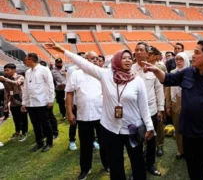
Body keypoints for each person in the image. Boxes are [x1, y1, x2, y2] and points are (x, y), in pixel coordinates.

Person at [45, 40, 154, 180]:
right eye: (124, 58)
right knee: (115, 164)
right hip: (111, 129)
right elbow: (84, 63)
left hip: (132, 128)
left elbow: (143, 106)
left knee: (137, 161)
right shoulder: (105, 75)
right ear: (116, 60)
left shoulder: (137, 80)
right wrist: (63, 50)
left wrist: (149, 126)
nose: (128, 61)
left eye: (129, 58)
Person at [143, 40, 203, 180]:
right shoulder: (187, 72)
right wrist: (156, 70)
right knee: (195, 172)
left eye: (197, 52)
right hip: (190, 135)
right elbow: (167, 79)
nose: (193, 55)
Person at [65, 51, 109, 180]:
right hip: (84, 115)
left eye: (97, 58)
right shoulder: (76, 74)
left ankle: (107, 164)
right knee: (85, 144)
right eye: (92, 58)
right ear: (84, 60)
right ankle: (85, 168)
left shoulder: (103, 74)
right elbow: (69, 93)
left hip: (102, 115)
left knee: (105, 142)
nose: (95, 61)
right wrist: (69, 112)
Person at [132, 42, 164, 176]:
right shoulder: (130, 69)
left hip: (151, 111)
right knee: (135, 143)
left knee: (151, 141)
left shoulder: (154, 68)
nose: (138, 52)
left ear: (147, 53)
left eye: (141, 50)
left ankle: (150, 165)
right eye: (136, 50)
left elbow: (159, 89)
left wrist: (160, 108)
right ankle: (137, 169)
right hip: (134, 113)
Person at [22, 53, 54, 152]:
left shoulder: (44, 69)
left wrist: (50, 100)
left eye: (26, 60)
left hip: (42, 101)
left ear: (31, 60)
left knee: (45, 123)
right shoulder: (27, 72)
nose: (25, 61)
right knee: (35, 124)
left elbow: (50, 84)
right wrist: (24, 102)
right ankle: (39, 142)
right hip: (31, 103)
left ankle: (49, 142)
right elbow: (26, 88)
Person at [165, 52, 190, 160]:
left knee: (188, 129)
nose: (178, 61)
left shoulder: (191, 72)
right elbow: (169, 90)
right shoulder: (172, 72)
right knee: (178, 128)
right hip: (175, 103)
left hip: (188, 104)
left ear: (186, 60)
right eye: (177, 59)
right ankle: (180, 150)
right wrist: (168, 105)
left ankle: (190, 150)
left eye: (181, 59)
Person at [147, 46, 166, 157]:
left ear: (155, 56)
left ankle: (159, 145)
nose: (147, 56)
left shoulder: (160, 66)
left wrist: (162, 103)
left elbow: (164, 83)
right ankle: (149, 146)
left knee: (159, 125)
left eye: (150, 54)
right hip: (148, 100)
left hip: (158, 97)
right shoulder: (144, 66)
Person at [0, 63, 28, 142]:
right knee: (16, 119)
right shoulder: (5, 80)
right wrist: (5, 105)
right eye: (5, 70)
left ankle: (25, 133)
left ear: (14, 70)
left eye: (7, 70)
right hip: (13, 103)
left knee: (23, 119)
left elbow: (17, 83)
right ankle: (17, 132)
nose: (6, 72)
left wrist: (5, 79)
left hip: (21, 102)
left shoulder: (20, 77)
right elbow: (6, 93)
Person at [65, 52, 85, 151]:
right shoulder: (72, 70)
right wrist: (70, 104)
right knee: (73, 122)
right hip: (76, 102)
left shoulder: (90, 70)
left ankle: (92, 140)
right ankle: (72, 140)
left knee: (87, 124)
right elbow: (68, 88)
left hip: (86, 104)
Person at [39, 60, 59, 139]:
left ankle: (54, 131)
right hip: (40, 99)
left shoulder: (48, 74)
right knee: (42, 117)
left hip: (47, 98)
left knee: (50, 116)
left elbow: (51, 87)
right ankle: (45, 132)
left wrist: (50, 99)